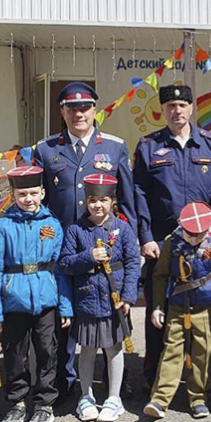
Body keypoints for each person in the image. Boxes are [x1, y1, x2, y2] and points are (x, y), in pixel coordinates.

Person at [34, 81, 136, 398]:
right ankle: (65, 383)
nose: (79, 114)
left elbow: (128, 200)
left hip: (107, 246)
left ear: (95, 110)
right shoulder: (46, 149)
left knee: (109, 314)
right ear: (62, 112)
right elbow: (38, 201)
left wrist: (131, 241)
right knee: (65, 317)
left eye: (84, 108)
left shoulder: (115, 147)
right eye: (71, 108)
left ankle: (113, 384)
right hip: (63, 248)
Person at [134, 84, 211, 388]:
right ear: (163, 110)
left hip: (205, 241)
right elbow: (139, 193)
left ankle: (201, 373)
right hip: (164, 241)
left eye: (182, 105)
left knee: (202, 306)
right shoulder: (149, 146)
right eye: (171, 106)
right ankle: (154, 373)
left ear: (191, 108)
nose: (177, 110)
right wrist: (146, 236)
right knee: (159, 306)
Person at [0, 166, 72, 422]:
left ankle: (44, 404)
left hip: (46, 299)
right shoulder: (2, 227)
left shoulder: (52, 225)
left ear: (42, 192)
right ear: (13, 195)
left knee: (47, 351)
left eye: (33, 193)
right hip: (13, 300)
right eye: (22, 194)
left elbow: (60, 268)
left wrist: (65, 305)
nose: (28, 199)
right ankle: (17, 402)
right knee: (15, 354)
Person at [57, 174, 140, 422]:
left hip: (115, 301)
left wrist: (128, 297)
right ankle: (86, 396)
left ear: (112, 201)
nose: (97, 205)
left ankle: (114, 398)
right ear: (86, 201)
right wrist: (89, 256)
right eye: (92, 200)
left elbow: (133, 263)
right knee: (87, 349)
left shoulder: (123, 229)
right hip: (87, 300)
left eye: (103, 200)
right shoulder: (75, 230)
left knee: (114, 348)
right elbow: (65, 263)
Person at [143, 202, 211, 420]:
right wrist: (158, 307)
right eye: (190, 234)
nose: (193, 239)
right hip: (177, 307)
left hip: (206, 308)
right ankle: (160, 399)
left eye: (198, 235)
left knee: (203, 353)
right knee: (171, 351)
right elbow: (160, 276)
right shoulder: (172, 242)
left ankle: (198, 398)